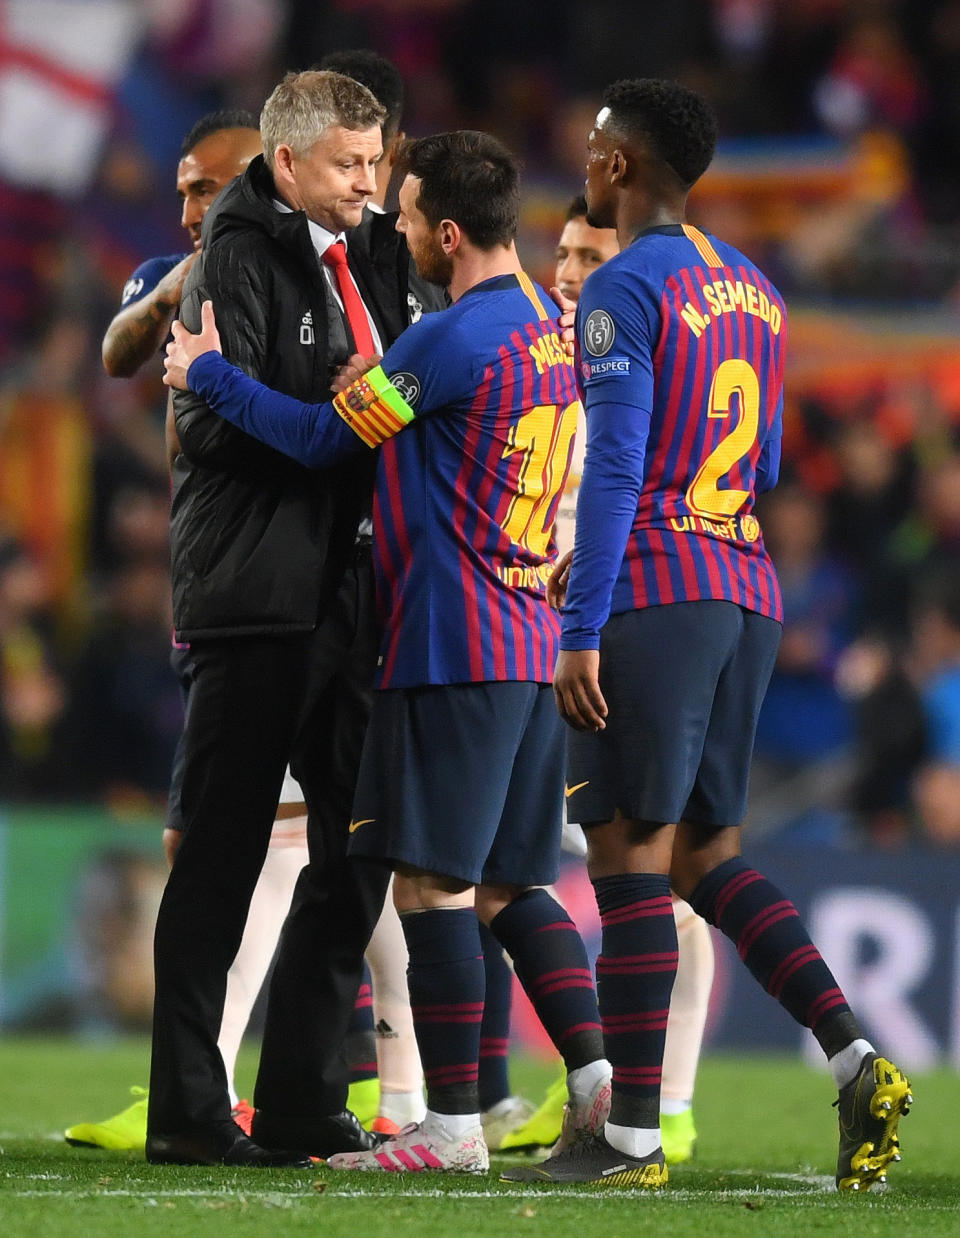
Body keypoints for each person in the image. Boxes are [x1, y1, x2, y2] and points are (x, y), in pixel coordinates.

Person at [163, 128, 614, 1176]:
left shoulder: (449, 339)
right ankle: (597, 1080)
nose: (393, 225)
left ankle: (452, 1127)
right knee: (514, 884)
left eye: (405, 213)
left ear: (446, 233)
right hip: (531, 640)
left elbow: (325, 439)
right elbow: (455, 425)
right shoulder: (549, 327)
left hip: (453, 642)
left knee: (430, 887)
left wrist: (214, 374)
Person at [500, 78, 912, 1191]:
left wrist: (579, 628)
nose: (584, 163)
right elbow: (767, 466)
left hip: (656, 589)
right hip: (746, 586)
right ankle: (856, 1053)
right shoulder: (759, 293)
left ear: (622, 166)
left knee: (628, 852)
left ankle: (630, 1135)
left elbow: (621, 465)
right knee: (704, 856)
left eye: (594, 149)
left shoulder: (623, 287)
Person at [148, 69, 443, 1168]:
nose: (371, 185)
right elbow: (211, 427)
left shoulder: (368, 245)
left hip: (358, 593)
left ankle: (305, 1096)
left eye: (378, 163)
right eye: (349, 165)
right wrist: (348, 400)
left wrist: (349, 401)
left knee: (359, 847)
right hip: (256, 595)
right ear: (287, 164)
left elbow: (386, 387)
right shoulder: (232, 254)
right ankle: (186, 1105)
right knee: (222, 855)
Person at [497, 196, 716, 1165]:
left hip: (616, 636)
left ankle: (665, 1098)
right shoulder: (554, 354)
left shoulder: (635, 360)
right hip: (543, 636)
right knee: (548, 867)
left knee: (655, 879)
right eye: (565, 252)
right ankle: (604, 1086)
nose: (571, 269)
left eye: (593, 253)